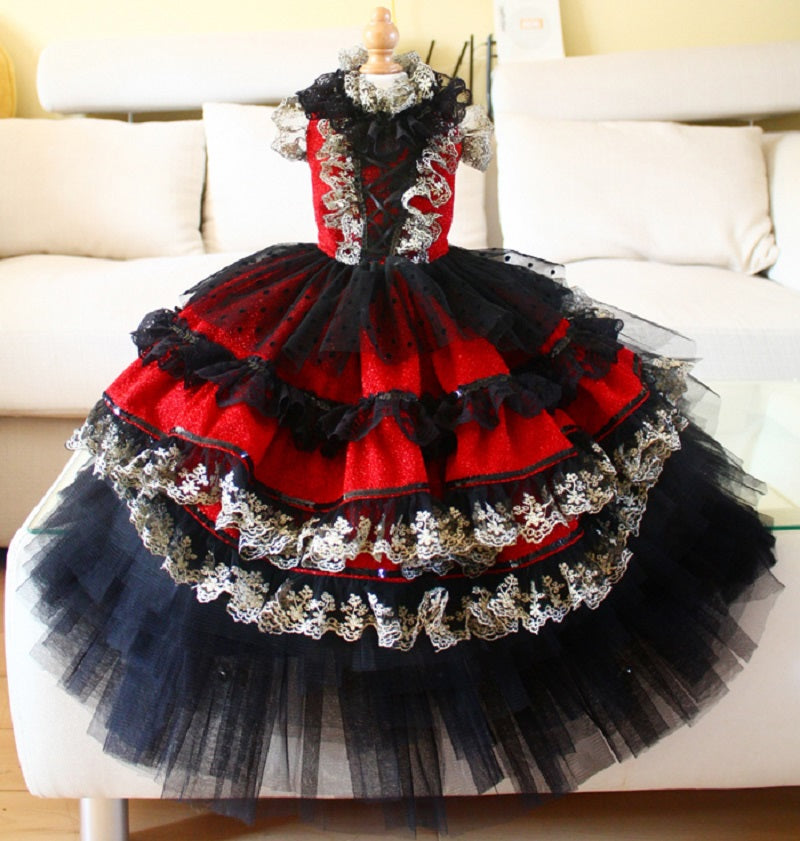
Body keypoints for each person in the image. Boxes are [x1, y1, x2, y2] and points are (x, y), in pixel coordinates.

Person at [22, 9, 778, 826]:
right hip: (321, 298)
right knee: (273, 467)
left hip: (447, 296)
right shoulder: (316, 106)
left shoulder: (450, 108)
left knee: (502, 465)